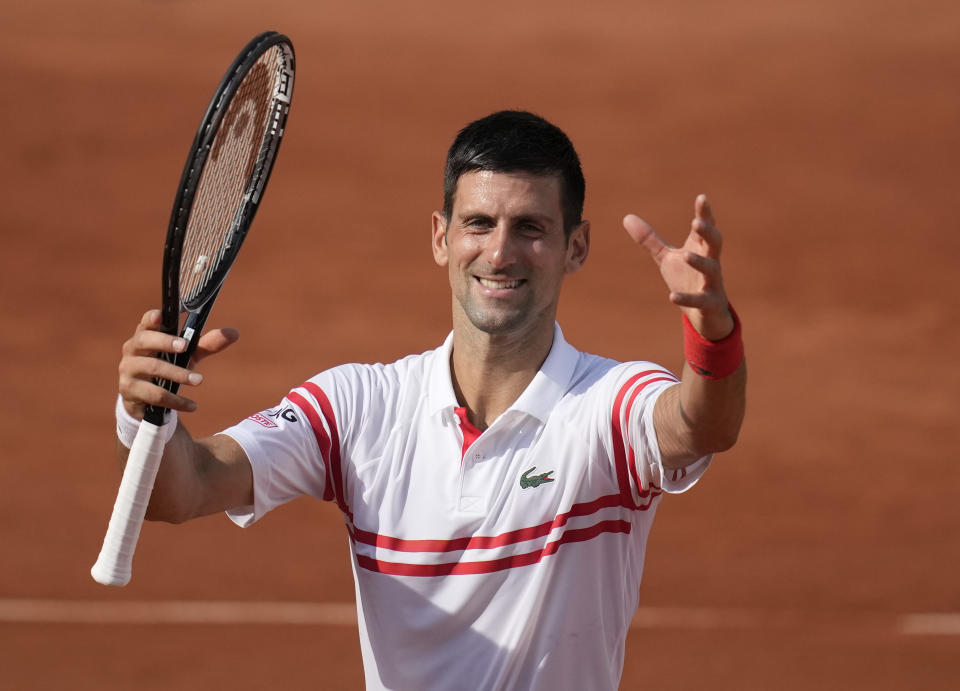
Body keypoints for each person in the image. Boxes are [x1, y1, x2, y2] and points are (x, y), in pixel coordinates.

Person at [115, 110, 746, 690]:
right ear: (442, 237)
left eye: (530, 228)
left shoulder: (607, 406)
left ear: (574, 247)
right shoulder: (360, 406)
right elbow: (183, 490)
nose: (499, 252)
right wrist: (150, 414)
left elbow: (699, 425)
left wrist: (712, 338)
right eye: (479, 223)